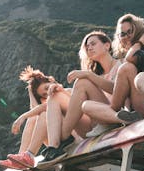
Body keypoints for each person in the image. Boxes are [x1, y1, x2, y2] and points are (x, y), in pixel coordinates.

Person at [40, 30, 122, 162]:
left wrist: (88, 75)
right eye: (87, 46)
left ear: (107, 45)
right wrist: (62, 91)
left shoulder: (120, 66)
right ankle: (55, 146)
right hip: (92, 125)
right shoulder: (96, 75)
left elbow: (117, 90)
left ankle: (62, 139)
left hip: (111, 118)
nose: (89, 48)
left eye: (93, 44)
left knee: (82, 82)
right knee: (55, 95)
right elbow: (78, 103)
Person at [81, 13, 144, 135]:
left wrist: (139, 43)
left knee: (127, 68)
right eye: (122, 34)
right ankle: (117, 118)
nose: (126, 36)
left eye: (130, 32)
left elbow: (130, 58)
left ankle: (111, 118)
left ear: (138, 32)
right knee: (86, 106)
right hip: (131, 111)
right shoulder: (125, 59)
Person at [0, 66, 58, 169]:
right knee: (34, 117)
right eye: (44, 94)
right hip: (54, 137)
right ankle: (22, 157)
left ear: (51, 81)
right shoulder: (49, 99)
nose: (47, 93)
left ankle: (27, 156)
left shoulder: (62, 93)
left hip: (64, 136)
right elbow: (35, 110)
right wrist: (31, 91)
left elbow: (43, 108)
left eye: (47, 88)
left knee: (41, 114)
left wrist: (23, 117)